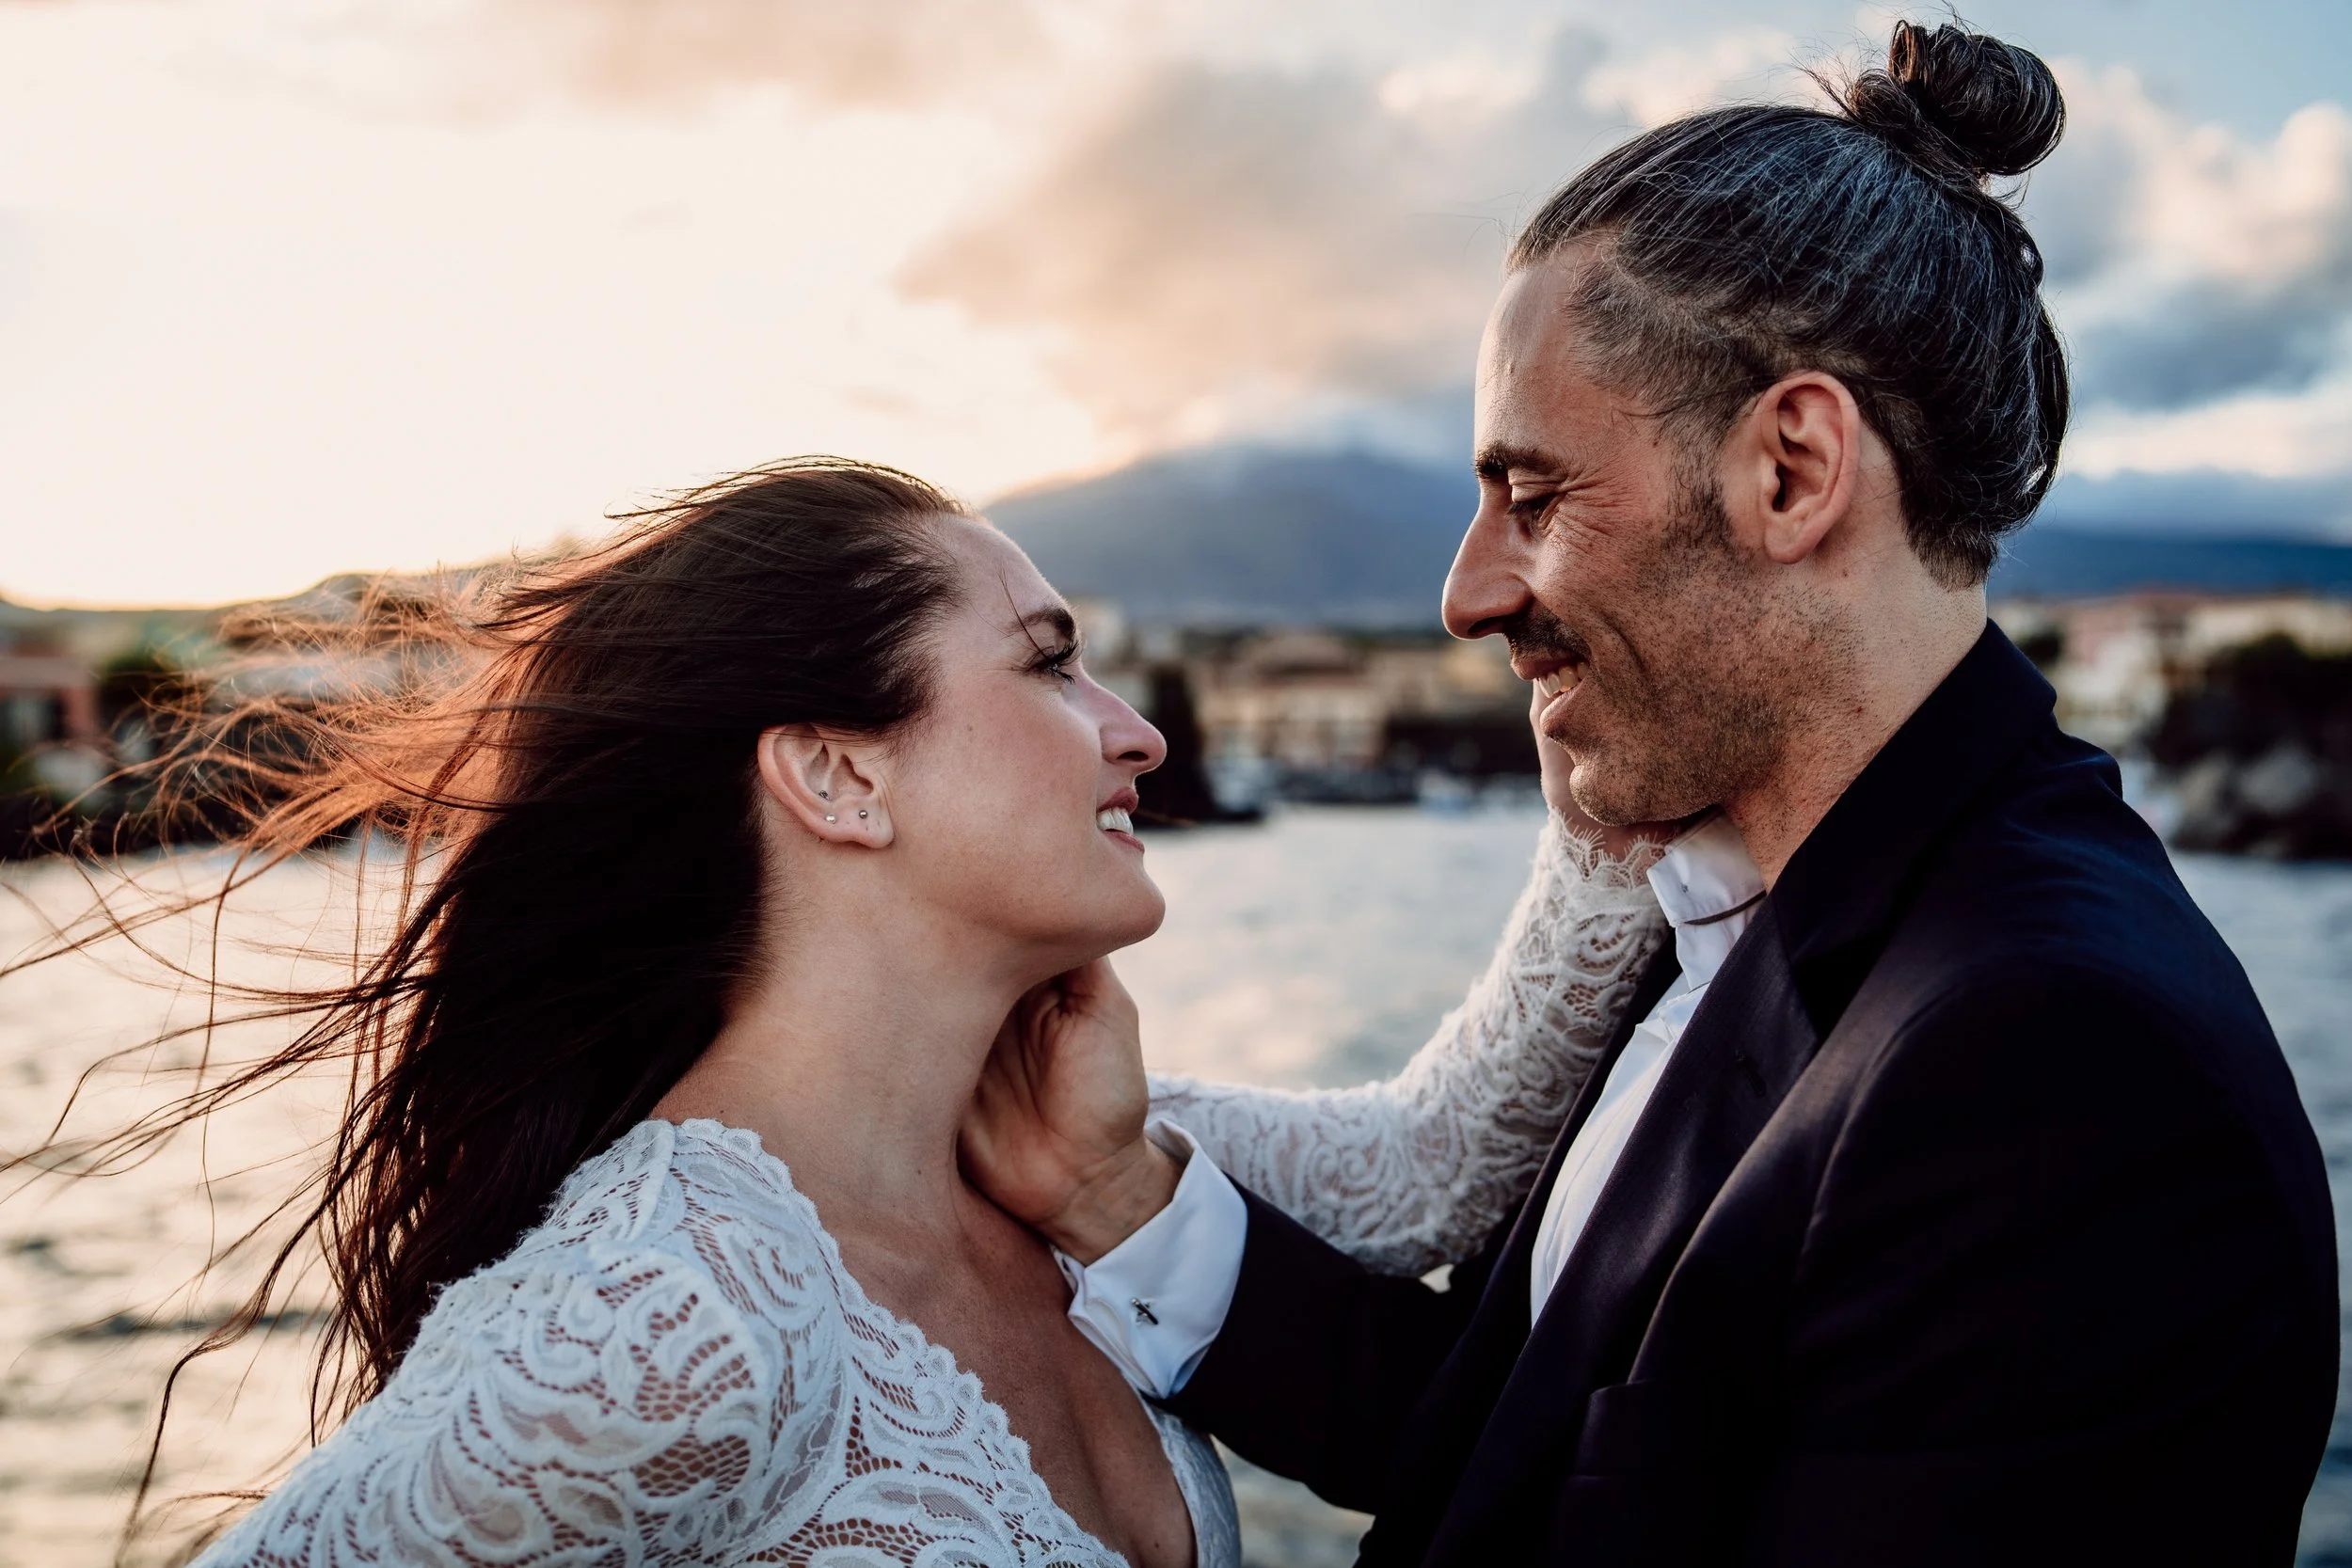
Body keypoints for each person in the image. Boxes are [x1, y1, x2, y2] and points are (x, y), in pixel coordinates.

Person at [961, 24, 2339, 1566]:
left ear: (1793, 470)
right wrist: (1111, 1191)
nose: (1466, 594)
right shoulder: (1702, 883)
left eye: (1533, 495)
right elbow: (1537, 1452)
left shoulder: (2057, 1074)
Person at [41, 458, 1673, 1567]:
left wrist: (1630, 741)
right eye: (1048, 666)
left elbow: (1427, 1168)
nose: (1135, 734)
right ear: (835, 772)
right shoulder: (666, 1312)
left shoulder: (1052, 1159)